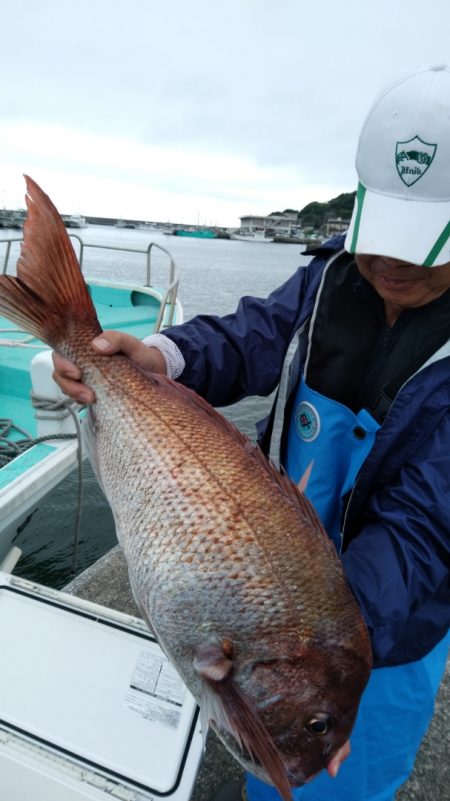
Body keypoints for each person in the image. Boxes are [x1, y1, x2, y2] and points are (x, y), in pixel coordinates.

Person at [53, 63, 450, 801]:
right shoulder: (335, 274)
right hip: (272, 592)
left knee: (341, 776)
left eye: (420, 243)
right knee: (266, 777)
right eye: (384, 231)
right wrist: (162, 355)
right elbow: (255, 335)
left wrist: (320, 651)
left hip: (374, 639)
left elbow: (428, 529)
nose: (392, 260)